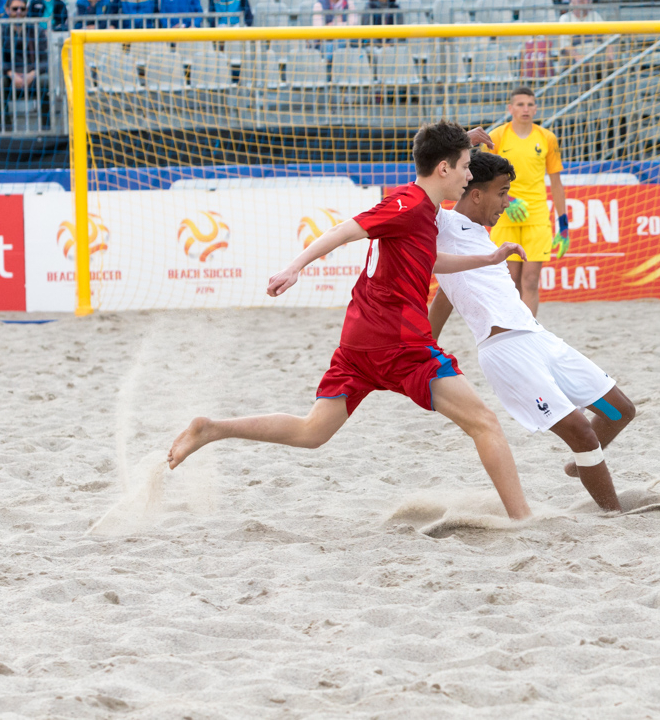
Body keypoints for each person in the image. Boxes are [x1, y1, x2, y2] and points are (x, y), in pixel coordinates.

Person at [166, 121, 533, 525]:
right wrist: (295, 267)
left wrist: (487, 258)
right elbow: (345, 231)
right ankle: (523, 520)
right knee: (485, 423)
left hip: (361, 338)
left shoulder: (422, 210)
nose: (469, 175)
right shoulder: (407, 205)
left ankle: (212, 429)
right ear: (443, 169)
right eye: (465, 166)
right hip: (399, 343)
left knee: (312, 432)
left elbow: (428, 259)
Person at [431, 151, 639, 511]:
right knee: (582, 433)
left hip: (538, 337)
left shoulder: (480, 236)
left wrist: (424, 341)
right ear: (476, 194)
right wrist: (462, 145)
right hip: (506, 352)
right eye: (502, 192)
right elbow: (424, 179)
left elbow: (446, 296)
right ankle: (614, 515)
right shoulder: (443, 224)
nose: (508, 201)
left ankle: (583, 465)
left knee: (620, 411)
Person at [487, 87, 569, 316]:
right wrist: (506, 199)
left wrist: (564, 226)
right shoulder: (496, 137)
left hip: (536, 215)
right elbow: (484, 178)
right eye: (520, 104)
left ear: (536, 108)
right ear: (510, 108)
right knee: (511, 281)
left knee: (531, 280)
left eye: (530, 104)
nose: (526, 108)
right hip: (505, 213)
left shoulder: (547, 138)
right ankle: (513, 331)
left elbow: (556, 183)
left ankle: (528, 334)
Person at [0, 0, 49, 129]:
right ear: (7, 10)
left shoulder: (36, 30)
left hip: (32, 77)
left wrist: (33, 74)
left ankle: (46, 127)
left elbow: (45, 59)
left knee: (45, 81)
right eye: (15, 9)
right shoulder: (1, 31)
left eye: (22, 8)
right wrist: (11, 74)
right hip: (10, 78)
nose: (19, 12)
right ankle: (6, 126)